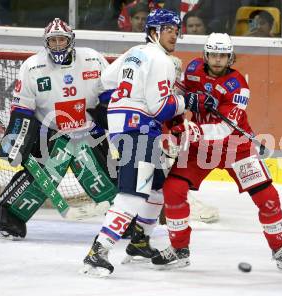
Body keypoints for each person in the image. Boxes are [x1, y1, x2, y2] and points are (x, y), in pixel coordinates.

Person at [151, 33, 282, 273]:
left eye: (222, 55)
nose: (218, 59)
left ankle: (280, 249)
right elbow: (176, 97)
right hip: (199, 149)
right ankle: (179, 249)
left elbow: (224, 128)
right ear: (205, 54)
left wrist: (188, 131)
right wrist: (179, 120)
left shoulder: (239, 85)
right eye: (213, 54)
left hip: (236, 147)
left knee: (268, 197)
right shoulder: (192, 69)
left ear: (230, 57)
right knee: (174, 189)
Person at [82, 9, 202, 277]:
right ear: (153, 32)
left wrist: (125, 100)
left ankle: (138, 243)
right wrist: (187, 101)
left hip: (128, 125)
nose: (175, 34)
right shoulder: (161, 60)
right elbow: (160, 109)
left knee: (158, 188)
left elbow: (105, 81)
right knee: (132, 195)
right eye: (168, 29)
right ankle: (98, 251)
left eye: (176, 29)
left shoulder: (134, 52)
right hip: (137, 130)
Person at [0, 18, 116, 240]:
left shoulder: (93, 59)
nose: (57, 45)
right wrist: (14, 143)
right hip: (50, 134)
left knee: (102, 176)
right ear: (46, 43)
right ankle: (4, 215)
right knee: (44, 177)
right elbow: (22, 110)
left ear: (71, 40)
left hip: (89, 132)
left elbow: (110, 98)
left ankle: (124, 218)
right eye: (52, 41)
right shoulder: (32, 67)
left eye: (61, 40)